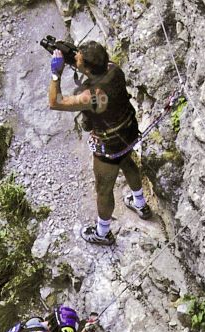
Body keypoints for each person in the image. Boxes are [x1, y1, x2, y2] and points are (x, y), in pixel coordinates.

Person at [47, 41, 153, 246]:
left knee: (104, 189)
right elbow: (95, 64)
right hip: (128, 130)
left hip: (109, 144)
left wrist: (56, 74)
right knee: (127, 161)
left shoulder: (91, 96)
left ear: (86, 68)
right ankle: (140, 204)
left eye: (78, 59)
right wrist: (76, 57)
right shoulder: (114, 69)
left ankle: (103, 233)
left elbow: (55, 102)